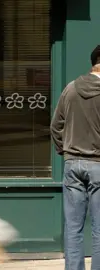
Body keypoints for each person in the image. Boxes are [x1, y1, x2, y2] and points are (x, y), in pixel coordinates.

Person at [51, 45, 100, 270]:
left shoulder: (70, 88)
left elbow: (55, 127)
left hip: (72, 165)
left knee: (73, 229)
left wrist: (66, 152)